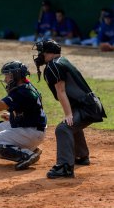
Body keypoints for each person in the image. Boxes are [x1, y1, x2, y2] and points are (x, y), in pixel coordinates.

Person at [33, 39, 107, 179]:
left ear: (49, 53)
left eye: (41, 52)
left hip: (87, 107)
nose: (39, 55)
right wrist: (70, 114)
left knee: (63, 128)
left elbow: (61, 91)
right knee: (71, 125)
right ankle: (81, 155)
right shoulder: (61, 61)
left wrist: (68, 114)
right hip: (91, 104)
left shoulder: (53, 66)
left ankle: (65, 167)